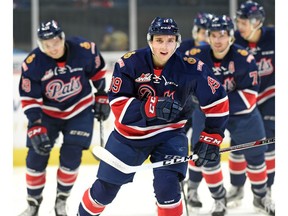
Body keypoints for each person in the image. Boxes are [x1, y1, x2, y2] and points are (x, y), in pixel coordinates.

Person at [77, 16, 229, 216]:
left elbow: (217, 101)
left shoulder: (192, 68)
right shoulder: (129, 64)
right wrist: (151, 107)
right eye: (159, 40)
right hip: (128, 137)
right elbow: (118, 106)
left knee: (168, 189)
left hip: (170, 135)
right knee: (104, 191)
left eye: (170, 40)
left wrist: (213, 135)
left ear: (177, 41)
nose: (164, 46)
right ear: (150, 41)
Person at [18, 20, 111, 216]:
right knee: (35, 157)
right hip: (47, 114)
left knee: (71, 157)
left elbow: (98, 72)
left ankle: (61, 200)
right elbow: (30, 97)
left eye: (55, 42)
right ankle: (33, 204)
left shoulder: (84, 50)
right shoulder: (33, 63)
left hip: (79, 110)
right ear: (41, 45)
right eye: (46, 45)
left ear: (62, 38)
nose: (52, 48)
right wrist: (35, 124)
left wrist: (102, 94)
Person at [186, 15, 275, 215]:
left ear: (231, 37)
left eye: (223, 35)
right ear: (208, 37)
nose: (218, 40)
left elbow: (249, 98)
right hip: (207, 116)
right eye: (214, 35)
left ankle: (261, 197)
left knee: (256, 155)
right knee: (206, 157)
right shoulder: (195, 57)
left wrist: (212, 103)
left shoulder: (245, 58)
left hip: (242, 114)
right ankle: (219, 200)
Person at [226, 0, 275, 206]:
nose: (239, 26)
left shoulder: (275, 37)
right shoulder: (234, 40)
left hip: (270, 95)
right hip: (243, 97)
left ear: (257, 22)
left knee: (269, 142)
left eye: (243, 22)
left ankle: (265, 191)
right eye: (238, 21)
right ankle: (237, 188)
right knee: (239, 142)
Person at [178, 12, 215, 134]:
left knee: (199, 141)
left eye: (208, 33)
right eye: (202, 32)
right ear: (196, 32)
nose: (205, 37)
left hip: (204, 103)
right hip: (185, 99)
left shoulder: (218, 52)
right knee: (175, 135)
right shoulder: (183, 48)